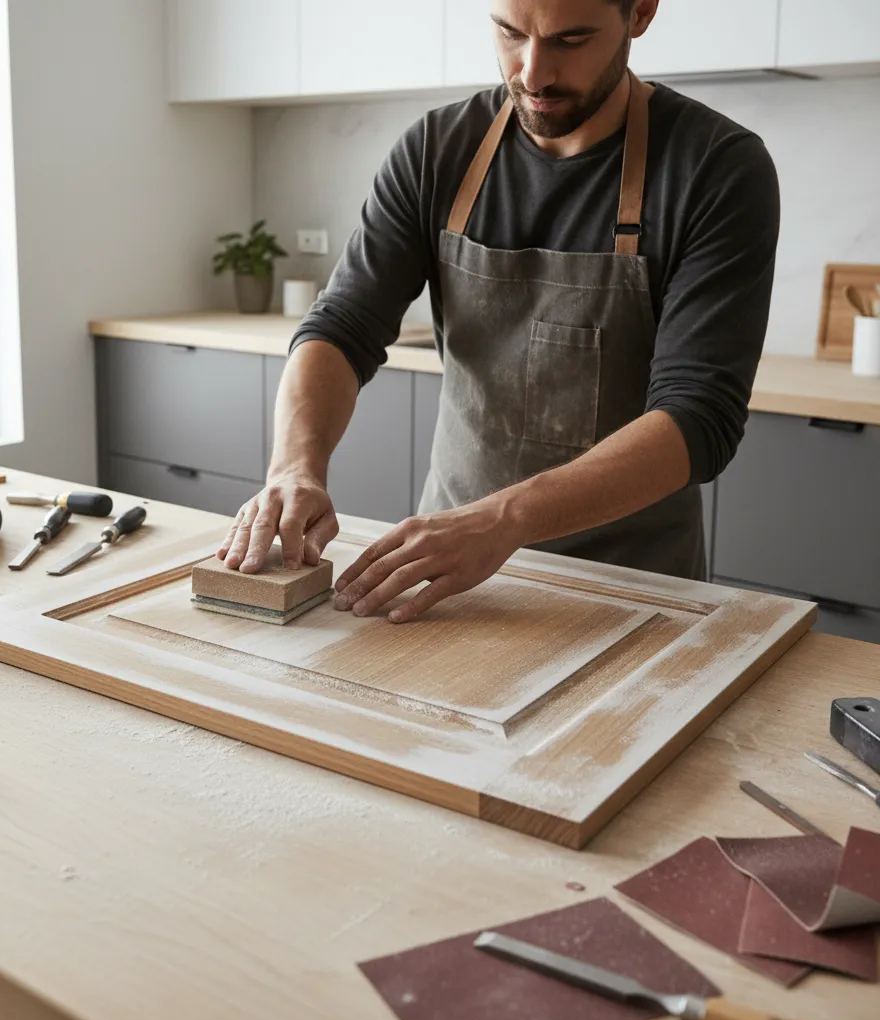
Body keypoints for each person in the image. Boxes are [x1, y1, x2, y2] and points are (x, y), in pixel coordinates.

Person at [218, 0, 780, 624]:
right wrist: (295, 466)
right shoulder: (436, 150)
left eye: (570, 39)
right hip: (445, 578)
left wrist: (506, 518)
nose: (533, 72)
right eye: (511, 33)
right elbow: (342, 327)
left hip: (631, 591)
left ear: (640, 13)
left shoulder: (717, 167)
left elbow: (698, 416)